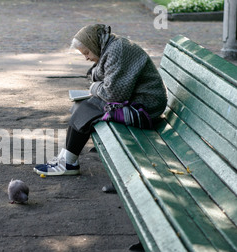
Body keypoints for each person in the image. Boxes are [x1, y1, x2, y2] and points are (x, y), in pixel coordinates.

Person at [34, 24, 167, 176]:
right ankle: (65, 159)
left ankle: (69, 163)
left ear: (93, 45)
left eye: (87, 52)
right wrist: (98, 87)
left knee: (89, 107)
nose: (86, 58)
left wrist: (94, 88)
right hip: (137, 100)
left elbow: (113, 95)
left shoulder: (118, 50)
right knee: (83, 105)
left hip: (146, 108)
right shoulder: (110, 47)